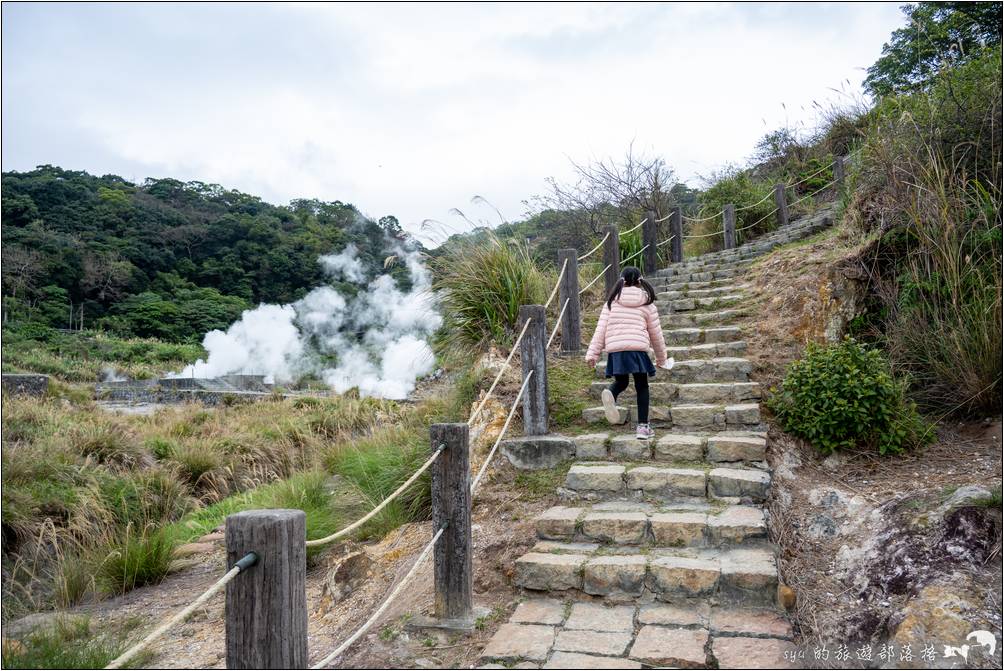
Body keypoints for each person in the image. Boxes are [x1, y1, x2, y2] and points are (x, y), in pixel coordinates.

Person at [584, 266, 672, 440]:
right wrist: (662, 358)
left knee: (621, 382)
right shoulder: (647, 303)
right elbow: (656, 334)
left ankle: (612, 393)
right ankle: (643, 427)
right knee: (642, 386)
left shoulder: (611, 302)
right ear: (640, 281)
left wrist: (592, 354)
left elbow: (600, 330)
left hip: (616, 351)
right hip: (638, 350)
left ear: (621, 281)